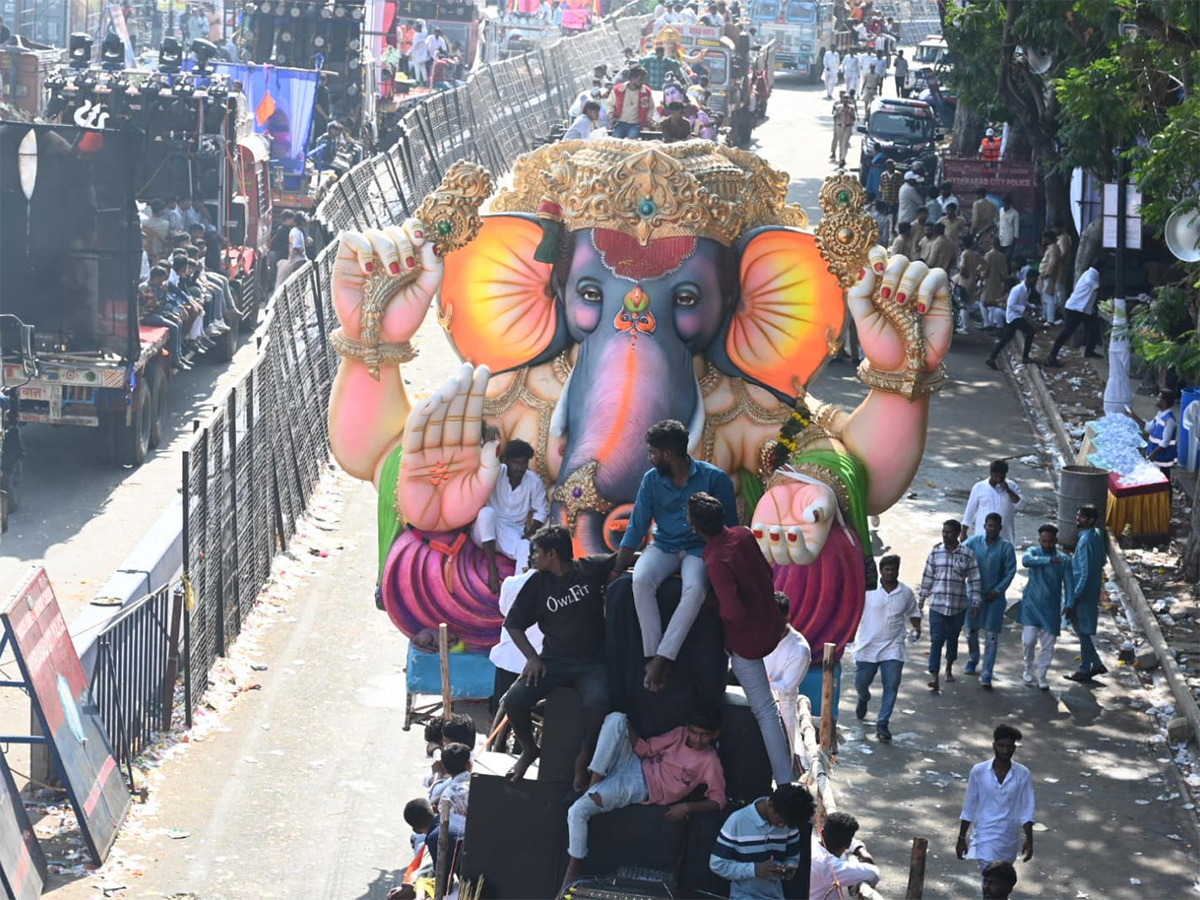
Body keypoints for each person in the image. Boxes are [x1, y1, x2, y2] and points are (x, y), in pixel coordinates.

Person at [611, 420, 738, 692]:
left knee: (694, 588)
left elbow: (730, 531)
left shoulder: (714, 479)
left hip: (699, 548)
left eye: (653, 452)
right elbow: (636, 527)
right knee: (641, 579)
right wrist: (615, 570)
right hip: (664, 545)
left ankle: (664, 659)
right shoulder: (651, 480)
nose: (650, 457)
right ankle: (652, 654)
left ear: (667, 454)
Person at [689, 493, 794, 786]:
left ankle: (785, 782)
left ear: (694, 526)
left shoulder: (716, 560)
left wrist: (712, 609)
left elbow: (732, 611)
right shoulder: (743, 534)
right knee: (767, 710)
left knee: (764, 711)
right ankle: (786, 778)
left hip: (745, 642)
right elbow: (766, 571)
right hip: (769, 624)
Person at [564, 709, 726, 892]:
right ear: (688, 728)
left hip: (641, 786)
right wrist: (627, 727)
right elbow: (645, 749)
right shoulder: (680, 734)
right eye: (694, 732)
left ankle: (574, 867)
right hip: (634, 763)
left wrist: (687, 806)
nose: (697, 739)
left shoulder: (710, 761)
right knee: (617, 718)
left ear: (715, 734)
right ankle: (595, 782)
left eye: (704, 735)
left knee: (577, 811)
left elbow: (718, 800)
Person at [502, 525, 615, 787]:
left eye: (537, 552)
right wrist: (532, 658)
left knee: (599, 703)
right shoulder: (537, 583)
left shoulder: (588, 569)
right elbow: (514, 624)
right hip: (553, 662)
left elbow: (626, 556)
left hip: (591, 664)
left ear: (552, 554)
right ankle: (529, 750)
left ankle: (584, 757)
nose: (533, 557)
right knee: (515, 700)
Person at [957, 723, 1035, 894]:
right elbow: (969, 806)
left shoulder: (1022, 774)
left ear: (1014, 748)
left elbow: (1027, 808)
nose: (1005, 751)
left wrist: (1029, 840)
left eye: (1009, 747)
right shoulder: (979, 771)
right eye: (1001, 746)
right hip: (984, 837)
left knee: (1003, 884)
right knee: (991, 880)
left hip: (1009, 839)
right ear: (994, 745)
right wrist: (962, 837)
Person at [853, 554, 920, 742]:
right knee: (861, 683)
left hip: (893, 647)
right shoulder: (868, 590)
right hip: (867, 645)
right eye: (887, 569)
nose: (891, 573)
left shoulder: (905, 592)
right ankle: (863, 698)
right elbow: (854, 611)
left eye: (894, 570)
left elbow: (914, 612)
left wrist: (917, 627)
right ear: (881, 571)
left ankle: (882, 723)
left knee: (891, 685)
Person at [710, 783, 814, 900]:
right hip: (743, 896)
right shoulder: (738, 821)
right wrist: (754, 870)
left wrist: (787, 870)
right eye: (780, 821)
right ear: (770, 805)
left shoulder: (790, 825)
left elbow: (793, 859)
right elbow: (717, 864)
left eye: (786, 823)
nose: (782, 826)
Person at [472, 438, 548, 593]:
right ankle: (492, 570)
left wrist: (530, 533)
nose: (520, 468)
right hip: (485, 530)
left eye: (523, 463)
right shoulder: (496, 473)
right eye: (515, 463)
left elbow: (542, 510)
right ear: (506, 461)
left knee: (526, 546)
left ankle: (515, 596)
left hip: (512, 531)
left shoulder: (533, 481)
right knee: (487, 513)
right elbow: (480, 463)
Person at [919, 519, 982, 692]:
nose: (945, 535)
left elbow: (975, 580)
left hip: (958, 605)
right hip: (937, 605)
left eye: (949, 532)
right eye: (943, 532)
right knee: (936, 639)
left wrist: (976, 603)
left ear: (956, 534)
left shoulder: (967, 554)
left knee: (952, 638)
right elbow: (928, 577)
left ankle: (948, 667)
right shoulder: (935, 552)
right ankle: (934, 675)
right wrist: (922, 599)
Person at [963, 513, 1017, 689]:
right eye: (989, 526)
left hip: (995, 598)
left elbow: (1010, 572)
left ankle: (987, 673)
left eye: (995, 526)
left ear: (1000, 528)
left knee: (991, 636)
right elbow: (959, 553)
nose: (991, 529)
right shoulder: (974, 542)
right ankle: (973, 658)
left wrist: (998, 590)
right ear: (984, 526)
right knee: (971, 630)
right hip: (974, 594)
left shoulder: (1006, 548)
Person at [1018, 524, 1073, 689]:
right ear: (1039, 540)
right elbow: (1026, 561)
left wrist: (1069, 603)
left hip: (1051, 609)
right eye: (1044, 541)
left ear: (1056, 541)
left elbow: (1069, 584)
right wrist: (1048, 560)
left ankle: (1042, 676)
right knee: (1028, 641)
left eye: (1050, 542)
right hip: (1031, 606)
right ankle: (1028, 668)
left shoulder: (1064, 560)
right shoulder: (1034, 553)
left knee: (1048, 646)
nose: (1047, 545)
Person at [763, 591, 810, 758]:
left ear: (787, 619)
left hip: (781, 713)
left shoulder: (800, 650)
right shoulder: (759, 634)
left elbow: (786, 688)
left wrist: (755, 682)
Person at [1063, 505, 1107, 683]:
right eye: (1078, 515)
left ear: (1090, 520)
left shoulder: (1086, 540)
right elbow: (1102, 560)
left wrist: (1073, 598)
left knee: (1081, 631)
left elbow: (1085, 572)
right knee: (1082, 630)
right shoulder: (1097, 535)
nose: (1077, 519)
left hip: (1082, 591)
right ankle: (1095, 664)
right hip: (1092, 589)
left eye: (1081, 517)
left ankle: (1085, 668)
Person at [808, 811, 881, 900]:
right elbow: (874, 872)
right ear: (848, 843)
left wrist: (859, 849)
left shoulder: (812, 843)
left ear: (822, 833)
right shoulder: (830, 867)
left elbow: (852, 841)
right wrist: (864, 856)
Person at [1047, 260, 1102, 365]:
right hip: (1075, 308)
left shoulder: (1090, 273)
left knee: (1093, 330)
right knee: (1067, 332)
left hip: (1084, 309)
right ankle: (1052, 355)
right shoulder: (1091, 275)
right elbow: (1095, 286)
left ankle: (1089, 351)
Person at [961, 459, 1024, 547]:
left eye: (1001, 477)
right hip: (983, 535)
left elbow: (1021, 505)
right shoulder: (979, 487)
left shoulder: (1012, 486)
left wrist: (1008, 490)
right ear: (991, 473)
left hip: (1005, 535)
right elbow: (970, 510)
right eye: (996, 477)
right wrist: (964, 531)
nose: (998, 480)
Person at [985, 268, 1038, 370]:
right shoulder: (1017, 289)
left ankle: (992, 357)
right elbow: (1011, 305)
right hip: (1014, 316)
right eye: (1034, 279)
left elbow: (1024, 301)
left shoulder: (1028, 289)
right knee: (1030, 332)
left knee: (1006, 339)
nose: (1035, 282)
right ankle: (1025, 357)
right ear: (1029, 278)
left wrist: (1030, 306)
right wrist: (1024, 308)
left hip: (1018, 315)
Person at [1130, 390, 1179, 474]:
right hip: (1155, 455)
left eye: (1159, 397)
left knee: (1163, 478)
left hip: (1163, 458)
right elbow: (1148, 428)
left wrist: (1153, 454)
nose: (1156, 399)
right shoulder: (1160, 415)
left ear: (1164, 402)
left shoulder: (1169, 419)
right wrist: (1133, 415)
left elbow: (1165, 442)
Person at [609, 66, 652, 139]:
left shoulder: (646, 92)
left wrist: (647, 120)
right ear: (632, 78)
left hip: (635, 124)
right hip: (619, 123)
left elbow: (651, 108)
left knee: (631, 140)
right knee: (615, 140)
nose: (642, 82)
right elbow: (610, 104)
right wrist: (611, 114)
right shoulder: (618, 89)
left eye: (643, 80)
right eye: (640, 80)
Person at [981, 239, 1009, 330]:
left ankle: (987, 323)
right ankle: (993, 322)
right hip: (999, 282)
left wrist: (981, 276)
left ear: (991, 244)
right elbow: (1005, 272)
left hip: (989, 281)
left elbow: (985, 270)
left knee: (984, 302)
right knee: (995, 302)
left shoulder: (988, 255)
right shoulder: (1002, 256)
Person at [1036, 231, 1062, 324]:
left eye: (1044, 238)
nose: (1043, 240)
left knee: (1048, 297)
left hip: (1048, 276)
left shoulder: (1054, 248)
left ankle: (1050, 320)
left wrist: (1047, 273)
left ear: (1048, 238)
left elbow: (1052, 263)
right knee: (1044, 297)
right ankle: (1045, 316)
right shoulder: (1050, 248)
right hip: (1045, 275)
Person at [829, 91, 856, 166]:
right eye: (844, 99)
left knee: (845, 143)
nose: (845, 101)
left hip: (848, 126)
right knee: (840, 142)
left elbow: (854, 118)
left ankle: (843, 158)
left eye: (847, 99)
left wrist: (850, 114)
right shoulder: (838, 107)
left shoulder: (851, 108)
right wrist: (839, 113)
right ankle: (840, 155)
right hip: (840, 126)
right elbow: (834, 117)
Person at [996, 195, 1019, 266]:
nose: (1005, 205)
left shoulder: (1014, 213)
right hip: (1000, 239)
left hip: (1009, 240)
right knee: (999, 260)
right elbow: (999, 224)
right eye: (1004, 203)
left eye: (1006, 203)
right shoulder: (1001, 211)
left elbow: (1016, 228)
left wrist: (1014, 240)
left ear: (1010, 203)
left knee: (1007, 261)